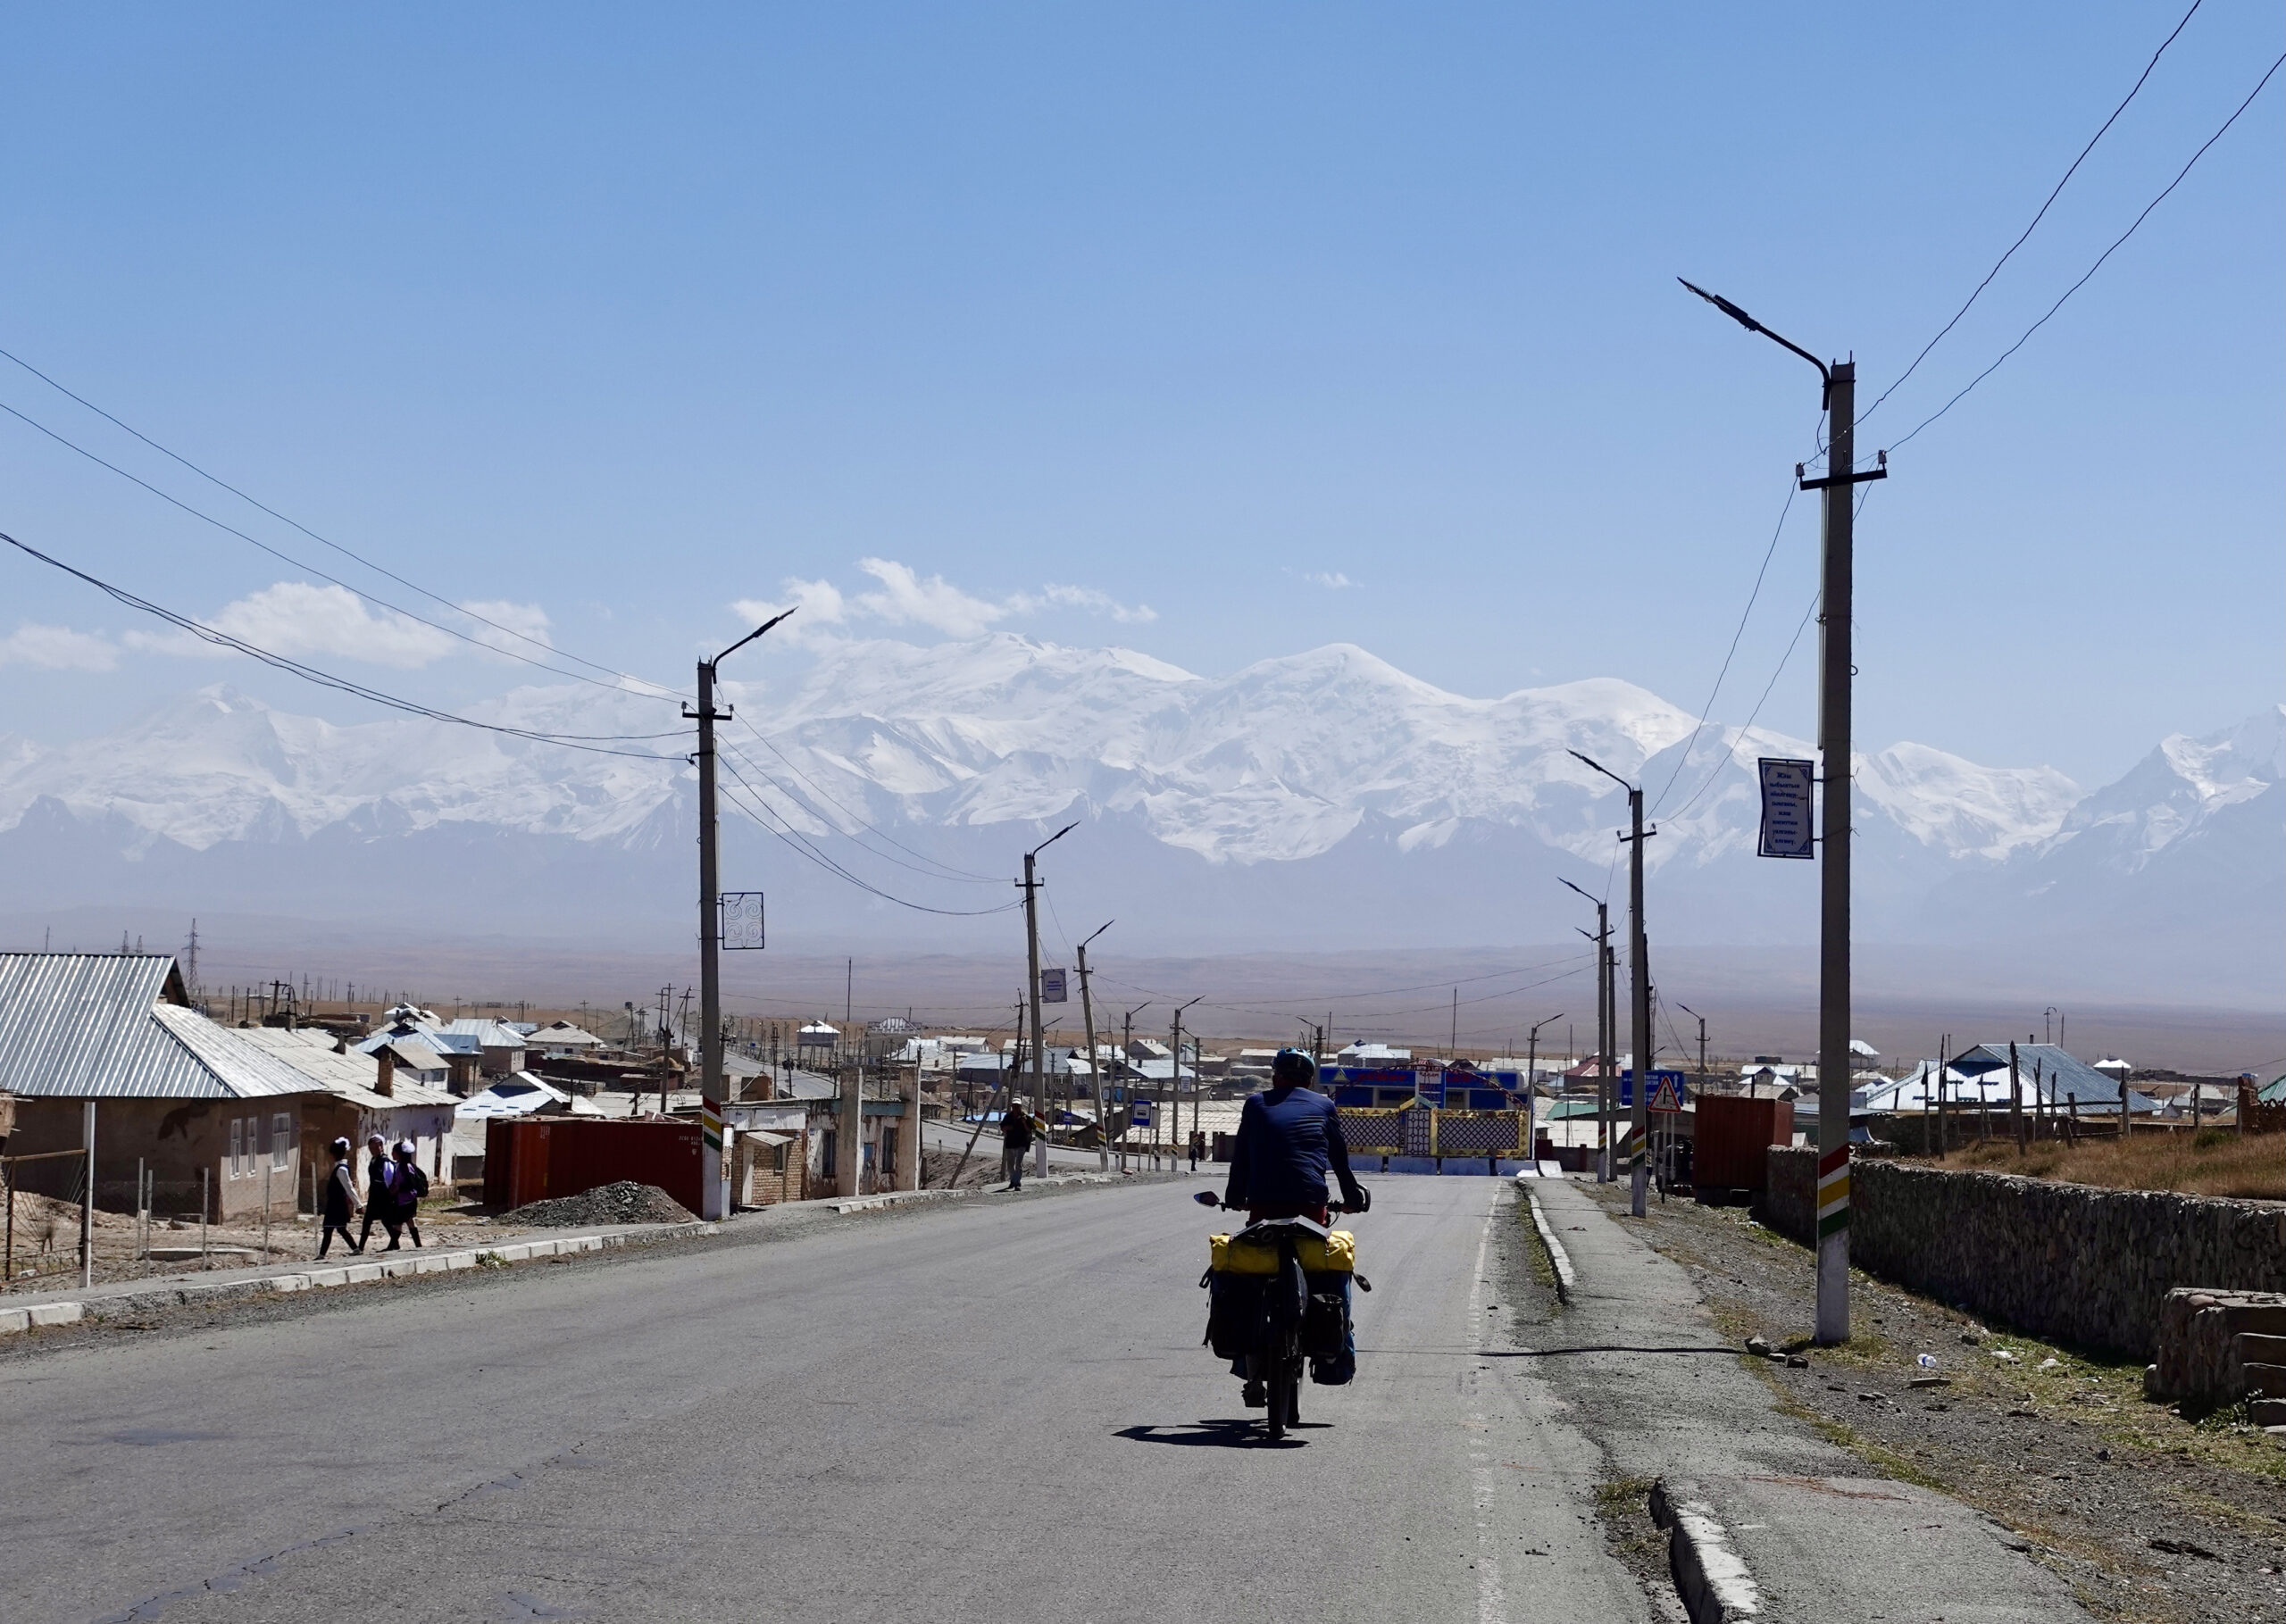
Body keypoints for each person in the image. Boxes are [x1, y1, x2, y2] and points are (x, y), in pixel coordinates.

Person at [1222, 1049, 1368, 1405]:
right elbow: (1339, 1160)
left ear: (1276, 1076)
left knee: (1250, 1277)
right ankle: (1336, 1356)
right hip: (1309, 1206)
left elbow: (1242, 1157)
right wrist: (1353, 1198)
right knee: (1329, 1272)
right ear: (1309, 1080)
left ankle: (1247, 1364)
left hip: (1263, 1206)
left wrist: (1235, 1196)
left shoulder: (1255, 1105)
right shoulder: (1323, 1106)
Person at [316, 1138, 363, 1258]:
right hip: (334, 1204)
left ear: (333, 1155)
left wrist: (358, 1205)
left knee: (330, 1229)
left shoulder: (341, 1169)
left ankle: (322, 1255)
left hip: (337, 1204)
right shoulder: (340, 1168)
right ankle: (355, 1249)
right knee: (338, 1229)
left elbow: (349, 1188)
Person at [355, 1132, 396, 1252]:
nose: (373, 1150)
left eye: (376, 1147)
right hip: (374, 1197)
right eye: (371, 1148)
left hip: (383, 1197)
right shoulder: (373, 1160)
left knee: (386, 1221)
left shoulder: (385, 1161)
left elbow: (389, 1179)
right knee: (368, 1221)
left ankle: (394, 1243)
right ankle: (360, 1247)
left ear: (381, 1147)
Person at [388, 1140, 430, 1249]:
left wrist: (397, 1188)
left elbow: (410, 1183)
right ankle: (418, 1246)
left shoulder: (405, 1167)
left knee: (398, 1223)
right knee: (409, 1222)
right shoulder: (400, 1166)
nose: (392, 1154)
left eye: (394, 1151)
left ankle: (392, 1246)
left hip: (406, 1200)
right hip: (405, 1200)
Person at [999, 1101, 1035, 1190]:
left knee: (1019, 1164)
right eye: (1014, 1106)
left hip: (1021, 1143)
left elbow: (1030, 1130)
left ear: (1020, 1107)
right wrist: (1007, 1128)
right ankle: (1013, 1180)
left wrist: (1024, 1123)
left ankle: (1016, 1183)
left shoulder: (1026, 1117)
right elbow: (1002, 1128)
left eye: (1017, 1106)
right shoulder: (1008, 1117)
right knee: (1010, 1165)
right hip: (1010, 1143)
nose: (1015, 1108)